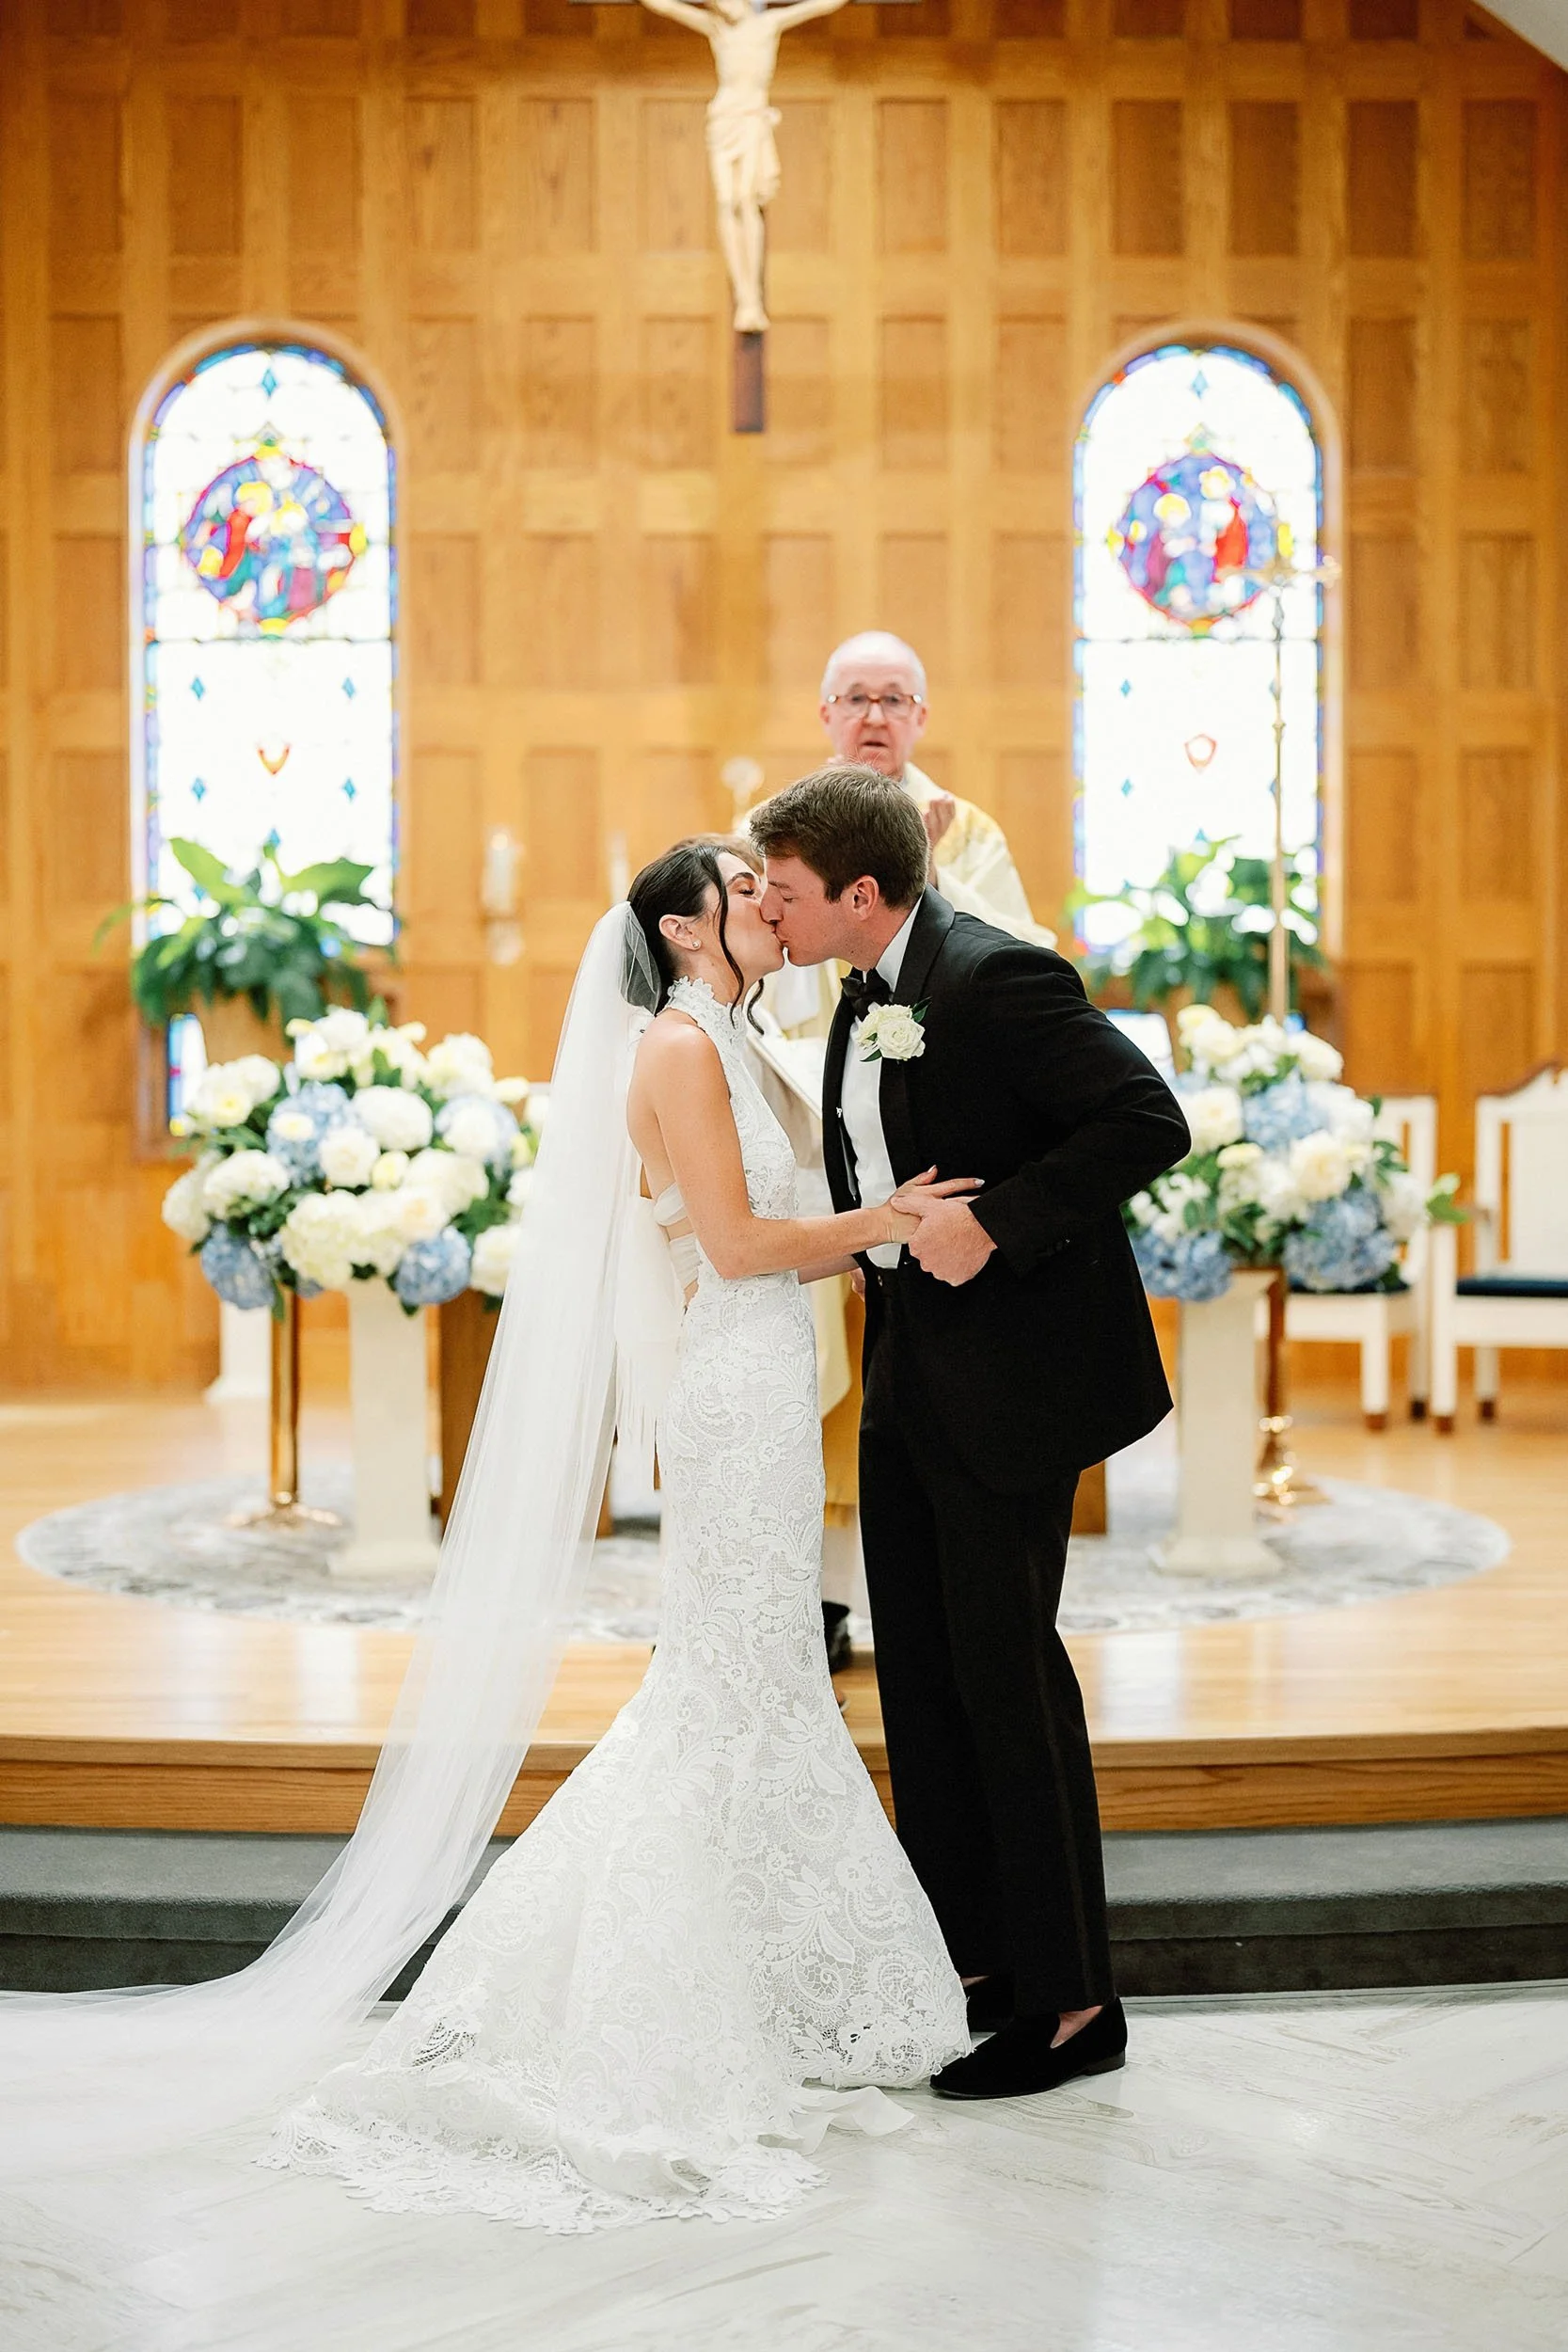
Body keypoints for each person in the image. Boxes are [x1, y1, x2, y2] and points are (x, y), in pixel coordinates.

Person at [0, 841, 971, 2239]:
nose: (769, 898)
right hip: (737, 1387)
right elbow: (739, 1241)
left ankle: (749, 1987)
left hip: (768, 1379)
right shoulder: (679, 1055)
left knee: (748, 1686)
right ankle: (635, 2015)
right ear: (687, 930)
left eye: (771, 881)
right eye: (744, 886)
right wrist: (884, 1223)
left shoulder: (737, 1034)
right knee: (725, 1688)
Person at [752, 767, 1191, 2100]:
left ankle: (1071, 2005)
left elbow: (1144, 1119)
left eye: (784, 891)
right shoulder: (858, 989)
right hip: (911, 1376)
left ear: (861, 894)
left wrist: (992, 1224)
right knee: (925, 1681)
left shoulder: (998, 979)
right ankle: (973, 1966)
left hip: (1013, 1382)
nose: (769, 909)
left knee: (1006, 1677)